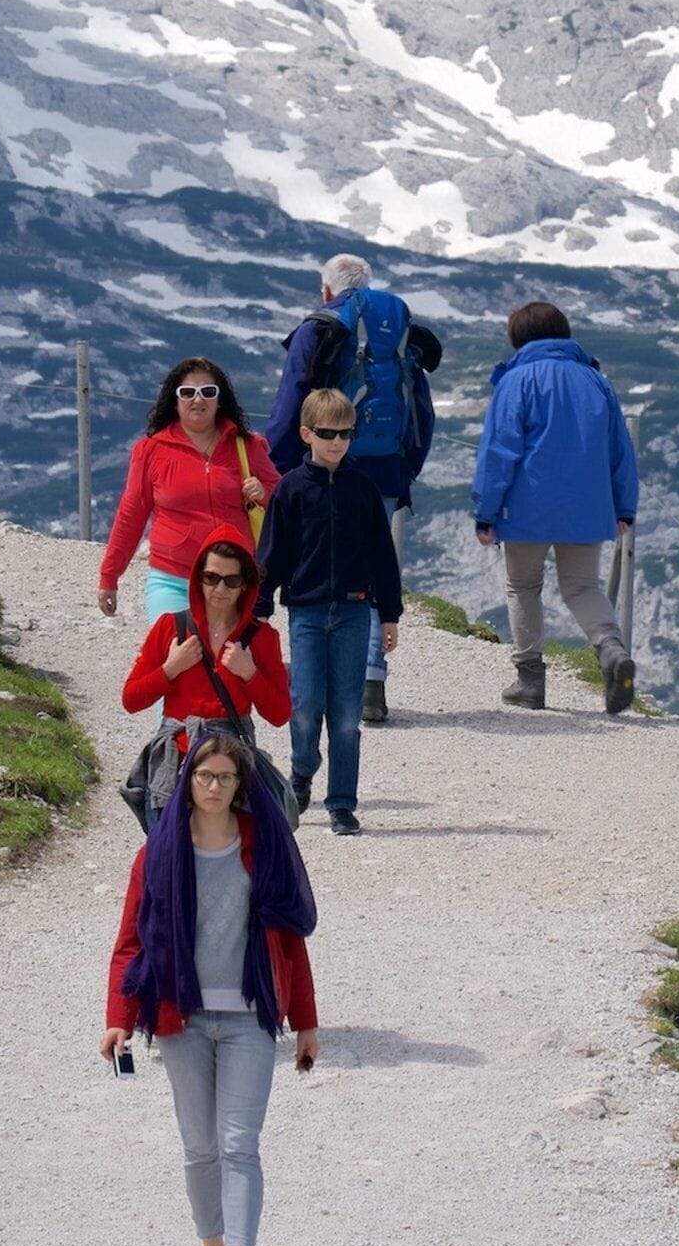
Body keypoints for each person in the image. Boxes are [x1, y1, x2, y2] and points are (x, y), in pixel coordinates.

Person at [101, 722, 320, 1246]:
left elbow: (290, 940)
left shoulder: (265, 847)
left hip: (250, 1018)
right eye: (204, 776)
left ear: (240, 784)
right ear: (189, 782)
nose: (215, 786)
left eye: (225, 777)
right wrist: (119, 1018)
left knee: (239, 1143)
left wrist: (305, 1022)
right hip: (183, 1019)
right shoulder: (157, 854)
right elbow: (130, 943)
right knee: (199, 1147)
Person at [268, 254, 439, 727]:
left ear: (327, 290)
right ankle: (371, 682)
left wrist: (280, 467)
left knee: (317, 566)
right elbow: (421, 406)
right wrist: (407, 466)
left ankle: (320, 680)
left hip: (325, 465)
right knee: (374, 562)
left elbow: (291, 401)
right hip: (384, 469)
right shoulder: (396, 330)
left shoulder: (320, 327)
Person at [470, 299, 639, 714]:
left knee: (523, 587)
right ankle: (611, 649)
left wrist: (485, 511)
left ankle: (530, 681)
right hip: (588, 505)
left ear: (518, 338)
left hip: (526, 507)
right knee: (582, 587)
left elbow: (498, 451)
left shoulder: (516, 380)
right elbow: (620, 450)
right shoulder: (596, 381)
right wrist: (624, 508)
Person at [259, 388, 404, 834]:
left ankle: (341, 802)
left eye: (345, 434)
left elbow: (383, 557)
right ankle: (302, 770)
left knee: (346, 715)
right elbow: (272, 554)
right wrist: (259, 608)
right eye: (327, 433)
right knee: (305, 704)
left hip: (354, 613)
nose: (337, 442)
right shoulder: (289, 490)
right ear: (307, 434)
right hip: (305, 611)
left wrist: (390, 614)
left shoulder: (363, 490)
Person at [101, 357, 278, 627]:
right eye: (187, 392)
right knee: (177, 648)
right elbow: (131, 515)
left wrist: (263, 492)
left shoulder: (248, 446)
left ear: (220, 400)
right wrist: (109, 576)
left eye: (208, 392)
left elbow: (284, 496)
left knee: (226, 653)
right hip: (172, 580)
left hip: (233, 580)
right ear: (175, 400)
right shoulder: (150, 451)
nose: (198, 400)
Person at [121, 529, 291, 804]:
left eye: (232, 580)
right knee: (169, 834)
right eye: (211, 578)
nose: (220, 589)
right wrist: (170, 669)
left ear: (245, 584)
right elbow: (130, 700)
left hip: (231, 764)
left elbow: (280, 714)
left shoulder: (263, 638)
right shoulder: (170, 627)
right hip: (176, 759)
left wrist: (250, 674)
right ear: (198, 579)